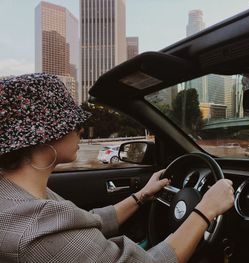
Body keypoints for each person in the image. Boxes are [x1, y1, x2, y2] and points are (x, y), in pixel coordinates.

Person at [0, 73, 234, 263]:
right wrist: (206, 210)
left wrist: (141, 197)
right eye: (73, 123)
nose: (80, 129)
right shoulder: (35, 226)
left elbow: (85, 224)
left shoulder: (17, 195)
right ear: (44, 137)